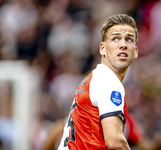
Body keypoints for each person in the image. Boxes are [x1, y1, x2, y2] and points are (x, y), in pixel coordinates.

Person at [57, 14, 138, 150]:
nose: (123, 44)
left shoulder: (92, 78)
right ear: (102, 49)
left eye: (129, 39)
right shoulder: (108, 81)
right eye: (115, 39)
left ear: (135, 52)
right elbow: (115, 142)